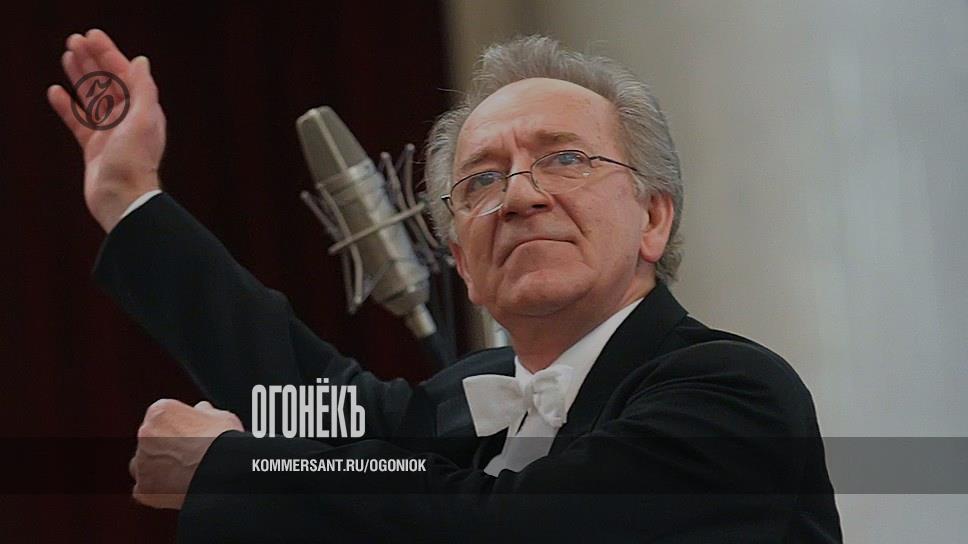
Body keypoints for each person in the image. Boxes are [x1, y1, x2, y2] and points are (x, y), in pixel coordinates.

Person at [48, 29, 842, 542]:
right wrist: (128, 195)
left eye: (565, 158)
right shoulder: (468, 397)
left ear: (654, 219)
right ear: (462, 261)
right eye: (481, 180)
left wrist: (234, 469)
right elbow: (307, 396)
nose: (520, 195)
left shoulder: (734, 393)